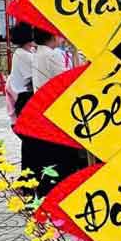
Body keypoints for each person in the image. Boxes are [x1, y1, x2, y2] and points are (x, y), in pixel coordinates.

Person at [23, 30, 79, 194]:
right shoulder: (53, 55)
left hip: (42, 107)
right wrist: (75, 54)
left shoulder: (38, 53)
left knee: (49, 156)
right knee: (63, 157)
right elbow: (68, 81)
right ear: (53, 36)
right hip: (56, 109)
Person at [5, 23, 36, 124]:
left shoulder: (23, 52)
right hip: (25, 97)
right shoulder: (24, 55)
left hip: (22, 97)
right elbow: (33, 79)